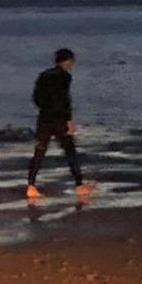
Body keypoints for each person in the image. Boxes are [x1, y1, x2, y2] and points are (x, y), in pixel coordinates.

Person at [27, 48, 94, 201]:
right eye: (71, 62)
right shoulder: (65, 77)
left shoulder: (43, 75)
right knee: (70, 151)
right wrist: (68, 120)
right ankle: (79, 186)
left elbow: (36, 97)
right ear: (67, 61)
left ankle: (31, 186)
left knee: (39, 151)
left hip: (44, 118)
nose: (72, 65)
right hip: (59, 120)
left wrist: (44, 109)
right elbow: (65, 100)